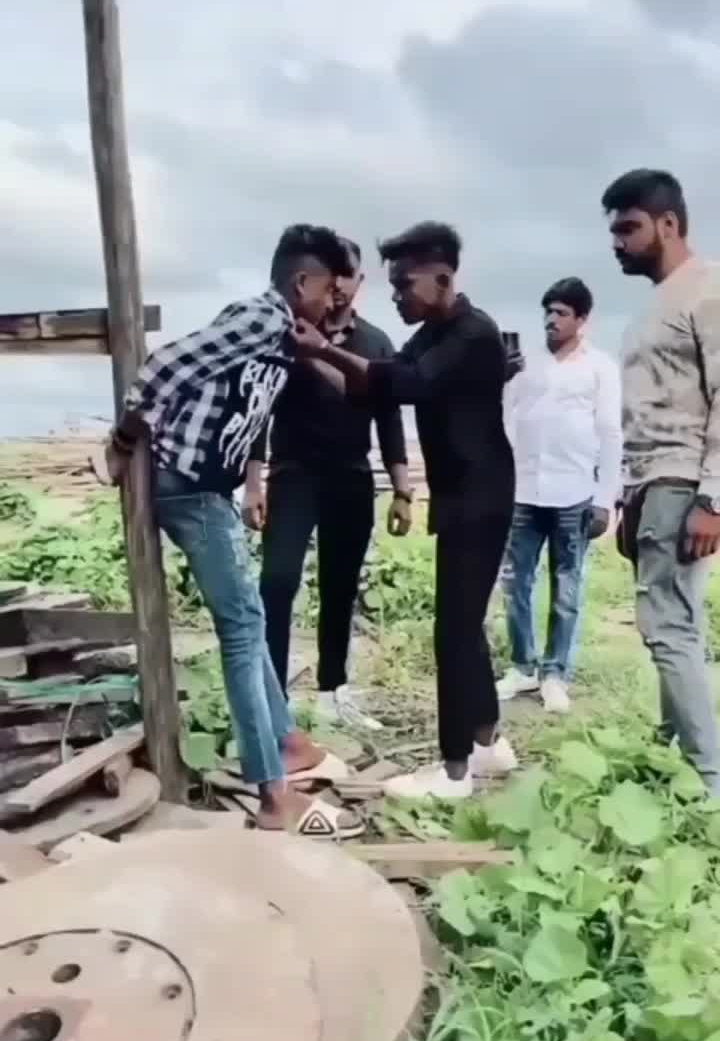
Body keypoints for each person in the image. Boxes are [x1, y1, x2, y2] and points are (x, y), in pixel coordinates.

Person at [102, 223, 365, 838]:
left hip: (206, 488)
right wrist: (124, 438)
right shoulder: (258, 318)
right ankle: (273, 794)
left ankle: (287, 743)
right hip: (190, 488)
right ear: (301, 282)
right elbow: (164, 364)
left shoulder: (283, 333)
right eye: (328, 289)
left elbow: (250, 407)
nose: (333, 302)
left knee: (248, 620)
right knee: (244, 630)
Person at [292, 221, 517, 801]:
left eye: (403, 285)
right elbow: (375, 386)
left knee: (454, 632)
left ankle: (453, 771)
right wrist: (313, 355)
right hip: (462, 493)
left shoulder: (473, 333)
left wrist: (323, 349)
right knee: (465, 624)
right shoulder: (433, 334)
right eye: (392, 286)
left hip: (481, 495)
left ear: (441, 278)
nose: (395, 297)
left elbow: (408, 383)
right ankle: (488, 744)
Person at [243, 241, 411, 732]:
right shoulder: (288, 336)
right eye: (331, 275)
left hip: (351, 478)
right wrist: (253, 484)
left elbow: (390, 421)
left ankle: (332, 692)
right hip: (293, 476)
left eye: (347, 275)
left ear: (360, 282)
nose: (337, 286)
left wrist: (402, 491)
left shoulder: (376, 342)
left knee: (340, 588)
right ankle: (271, 697)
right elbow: (259, 411)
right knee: (277, 581)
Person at [605, 167, 720, 795]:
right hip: (652, 485)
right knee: (679, 625)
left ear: (668, 224)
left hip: (684, 481)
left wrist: (713, 499)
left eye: (628, 228)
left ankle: (708, 783)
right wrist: (629, 497)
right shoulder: (654, 306)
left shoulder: (707, 289)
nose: (617, 242)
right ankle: (675, 753)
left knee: (666, 628)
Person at [498, 277, 622, 714]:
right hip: (524, 491)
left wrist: (604, 499)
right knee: (514, 582)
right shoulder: (525, 364)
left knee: (567, 587)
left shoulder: (600, 367)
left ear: (581, 319)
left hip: (574, 493)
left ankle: (555, 674)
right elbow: (505, 416)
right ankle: (522, 666)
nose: (551, 320)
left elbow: (610, 433)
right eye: (548, 312)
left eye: (561, 313)